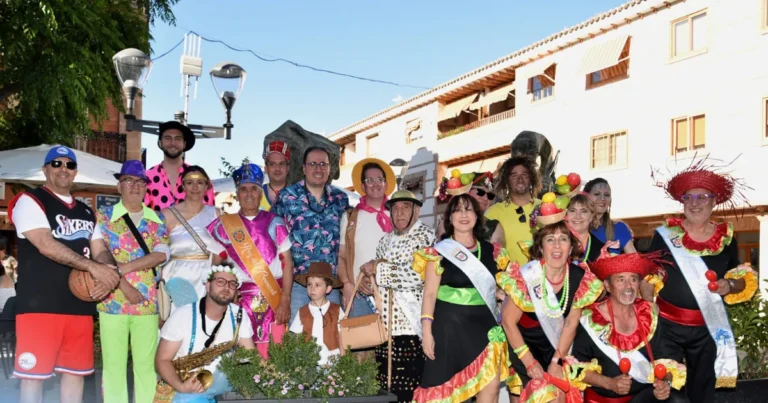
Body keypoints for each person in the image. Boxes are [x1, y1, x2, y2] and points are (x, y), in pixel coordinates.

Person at [8, 146, 120, 403]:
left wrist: (109, 274)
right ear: (45, 170)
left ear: (75, 172)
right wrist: (93, 268)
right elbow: (45, 244)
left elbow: (100, 250)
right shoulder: (30, 200)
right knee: (33, 377)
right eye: (56, 164)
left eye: (69, 165)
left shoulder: (86, 211)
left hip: (79, 305)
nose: (63, 169)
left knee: (75, 374)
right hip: (39, 305)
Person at [647, 163, 757, 403]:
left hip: (708, 329)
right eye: (689, 197)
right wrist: (647, 303)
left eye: (703, 197)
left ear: (714, 201)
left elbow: (738, 280)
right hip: (668, 328)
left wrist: (730, 286)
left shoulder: (726, 239)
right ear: (682, 202)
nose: (695, 203)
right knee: (667, 393)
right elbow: (649, 275)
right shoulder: (664, 235)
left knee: (702, 392)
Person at [412, 194, 510, 403]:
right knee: (446, 393)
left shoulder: (492, 250)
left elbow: (493, 285)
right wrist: (427, 331)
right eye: (457, 210)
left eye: (469, 209)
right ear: (449, 218)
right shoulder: (439, 252)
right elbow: (429, 294)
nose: (464, 215)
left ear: (477, 216)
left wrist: (501, 293)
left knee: (490, 390)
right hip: (448, 330)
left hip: (484, 329)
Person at [90, 160, 171, 403]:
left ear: (147, 187)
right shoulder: (102, 217)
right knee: (113, 367)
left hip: (146, 302)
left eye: (140, 182)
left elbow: (162, 254)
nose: (134, 186)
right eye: (128, 180)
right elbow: (98, 254)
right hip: (111, 300)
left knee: (146, 367)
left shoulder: (157, 219)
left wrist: (123, 268)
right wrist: (123, 284)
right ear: (119, 186)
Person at [497, 218, 603, 402]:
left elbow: (570, 324)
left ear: (570, 248)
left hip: (557, 346)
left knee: (559, 394)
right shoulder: (527, 276)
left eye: (563, 239)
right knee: (541, 394)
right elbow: (508, 322)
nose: (557, 245)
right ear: (540, 248)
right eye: (550, 239)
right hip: (522, 344)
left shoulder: (579, 278)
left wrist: (557, 361)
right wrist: (529, 362)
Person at [569, 251, 689, 403]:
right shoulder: (591, 320)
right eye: (620, 280)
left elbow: (669, 357)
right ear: (607, 286)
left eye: (633, 279)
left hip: (643, 397)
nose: (628, 286)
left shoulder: (648, 315)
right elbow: (576, 367)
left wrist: (666, 383)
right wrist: (610, 383)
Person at [208, 163, 293, 359]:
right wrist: (226, 294)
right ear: (237, 194)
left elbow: (287, 263)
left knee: (276, 350)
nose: (248, 194)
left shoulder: (276, 222)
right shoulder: (224, 225)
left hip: (274, 297)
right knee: (240, 349)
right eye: (243, 190)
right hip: (238, 298)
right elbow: (217, 265)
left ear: (260, 193)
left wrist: (286, 299)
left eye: (253, 189)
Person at [361, 189, 435, 402]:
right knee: (385, 385)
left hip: (413, 326)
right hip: (384, 326)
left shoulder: (426, 236)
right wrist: (368, 284)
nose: (399, 213)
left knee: (411, 385)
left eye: (405, 207)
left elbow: (417, 276)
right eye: (395, 208)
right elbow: (377, 279)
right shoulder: (384, 240)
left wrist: (378, 269)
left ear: (417, 211)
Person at [155, 265, 255, 402]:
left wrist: (274, 375)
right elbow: (162, 360)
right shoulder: (182, 315)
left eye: (232, 284)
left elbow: (250, 355)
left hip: (225, 382)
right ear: (207, 286)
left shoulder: (239, 314)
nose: (226, 287)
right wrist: (181, 386)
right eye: (220, 281)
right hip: (188, 385)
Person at [272, 146, 349, 322]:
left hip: (331, 285)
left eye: (323, 164)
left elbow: (347, 241)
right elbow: (273, 240)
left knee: (331, 340)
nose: (318, 168)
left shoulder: (340, 199)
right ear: (304, 168)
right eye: (313, 164)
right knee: (298, 342)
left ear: (330, 169)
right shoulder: (286, 197)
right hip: (298, 285)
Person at [339, 158, 395, 318]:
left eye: (379, 179)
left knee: (395, 342)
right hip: (359, 295)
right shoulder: (350, 217)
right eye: (369, 180)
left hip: (393, 292)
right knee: (362, 343)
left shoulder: (399, 214)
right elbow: (341, 255)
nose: (375, 184)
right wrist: (347, 284)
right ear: (363, 186)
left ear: (386, 184)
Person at [161, 166, 226, 306]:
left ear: (206, 186)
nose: (195, 187)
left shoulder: (217, 214)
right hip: (174, 277)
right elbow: (158, 250)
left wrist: (214, 280)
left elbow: (220, 251)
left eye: (200, 182)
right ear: (183, 186)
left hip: (205, 278)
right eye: (190, 182)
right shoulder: (167, 214)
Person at [144, 121, 215, 212]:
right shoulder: (147, 177)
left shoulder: (201, 178)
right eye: (168, 138)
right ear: (160, 143)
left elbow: (210, 216)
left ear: (184, 144)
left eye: (178, 139)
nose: (173, 143)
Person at [486, 157, 542, 267]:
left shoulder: (545, 207)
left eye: (524, 175)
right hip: (509, 281)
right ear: (506, 181)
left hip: (545, 278)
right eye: (514, 175)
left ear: (531, 179)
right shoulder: (494, 212)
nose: (520, 179)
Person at [289, 262, 345, 366]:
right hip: (309, 362)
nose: (312, 288)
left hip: (332, 360)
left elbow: (342, 336)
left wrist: (343, 360)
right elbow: (297, 339)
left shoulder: (336, 310)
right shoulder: (302, 311)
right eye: (309, 284)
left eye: (317, 285)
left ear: (328, 289)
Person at [436, 172, 505, 245]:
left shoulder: (493, 226)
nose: (485, 198)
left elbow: (499, 255)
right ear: (467, 192)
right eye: (480, 192)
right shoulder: (447, 222)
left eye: (490, 195)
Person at [584, 178, 636, 254]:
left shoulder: (619, 227)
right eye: (597, 194)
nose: (602, 198)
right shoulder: (577, 227)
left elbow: (635, 260)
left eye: (607, 195)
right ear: (586, 197)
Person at [565, 193, 605, 263]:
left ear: (591, 216)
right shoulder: (556, 245)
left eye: (584, 211)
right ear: (566, 215)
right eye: (572, 210)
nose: (578, 216)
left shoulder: (600, 250)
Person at [260, 140, 291, 211]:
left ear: (287, 168)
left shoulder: (299, 196)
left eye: (281, 164)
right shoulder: (255, 195)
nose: (277, 168)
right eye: (272, 164)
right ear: (266, 169)